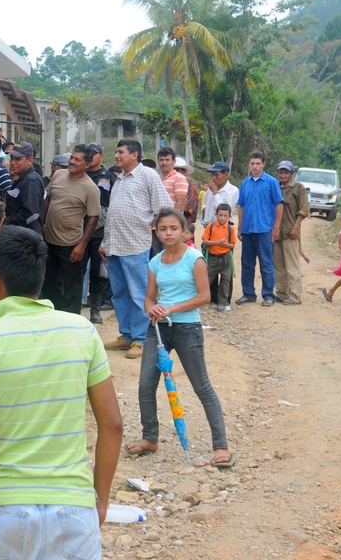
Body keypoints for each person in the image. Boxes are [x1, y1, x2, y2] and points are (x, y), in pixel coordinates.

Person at [0, 226, 123, 558]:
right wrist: (100, 500)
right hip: (74, 504)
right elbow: (113, 425)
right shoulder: (82, 331)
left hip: (6, 508)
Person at [126, 208, 234, 468]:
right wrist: (151, 308)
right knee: (145, 385)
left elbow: (204, 297)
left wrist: (171, 308)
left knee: (202, 387)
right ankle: (150, 438)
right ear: (156, 231)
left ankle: (221, 447)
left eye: (173, 228)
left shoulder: (194, 259)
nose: (168, 233)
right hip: (158, 329)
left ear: (183, 230)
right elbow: (149, 297)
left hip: (187, 328)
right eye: (163, 229)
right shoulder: (155, 261)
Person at [99, 139, 172, 360]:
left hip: (135, 244)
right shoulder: (119, 179)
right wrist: (105, 242)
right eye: (117, 152)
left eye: (121, 152)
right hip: (114, 246)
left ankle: (141, 340)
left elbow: (164, 207)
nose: (116, 156)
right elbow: (114, 213)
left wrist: (154, 228)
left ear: (135, 155)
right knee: (120, 293)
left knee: (138, 292)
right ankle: (127, 335)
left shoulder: (148, 175)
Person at [41, 145, 101, 314]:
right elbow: (47, 200)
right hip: (49, 241)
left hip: (71, 245)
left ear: (87, 164)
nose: (72, 162)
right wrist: (42, 226)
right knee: (49, 283)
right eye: (71, 158)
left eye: (77, 159)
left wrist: (81, 245)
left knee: (72, 289)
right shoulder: (59, 175)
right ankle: (53, 317)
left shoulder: (91, 188)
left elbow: (93, 218)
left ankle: (72, 322)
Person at [235, 152, 284, 307]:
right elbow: (241, 206)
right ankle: (248, 294)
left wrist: (276, 227)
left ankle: (269, 295)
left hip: (264, 229)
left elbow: (279, 204)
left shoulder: (271, 182)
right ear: (249, 165)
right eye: (252, 163)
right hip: (248, 229)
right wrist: (240, 226)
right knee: (247, 263)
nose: (255, 166)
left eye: (258, 163)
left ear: (263, 164)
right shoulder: (245, 184)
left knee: (266, 263)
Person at [84, 143, 115, 324]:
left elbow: (113, 203)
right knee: (76, 271)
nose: (91, 156)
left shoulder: (109, 177)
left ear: (101, 156)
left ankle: (95, 308)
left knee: (98, 273)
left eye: (94, 154)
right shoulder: (80, 174)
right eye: (88, 153)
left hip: (100, 231)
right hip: (79, 229)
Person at [273, 160, 309, 305]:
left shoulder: (298, 188)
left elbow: (304, 210)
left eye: (286, 172)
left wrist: (296, 227)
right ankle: (281, 293)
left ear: (291, 174)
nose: (283, 175)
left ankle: (295, 295)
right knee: (279, 265)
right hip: (276, 233)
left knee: (292, 265)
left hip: (290, 232)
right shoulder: (275, 187)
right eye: (281, 172)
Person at [201, 203, 237, 311]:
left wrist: (226, 245)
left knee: (225, 280)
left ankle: (222, 302)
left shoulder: (231, 228)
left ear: (229, 216)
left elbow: (233, 244)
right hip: (213, 258)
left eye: (225, 216)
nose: (222, 218)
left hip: (226, 258)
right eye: (220, 215)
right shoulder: (210, 226)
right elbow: (205, 241)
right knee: (207, 279)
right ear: (216, 214)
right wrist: (217, 243)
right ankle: (201, 299)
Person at [5, 140, 44, 234]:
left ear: (30, 160)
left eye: (18, 159)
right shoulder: (22, 179)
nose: (13, 163)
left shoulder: (31, 181)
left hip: (26, 236)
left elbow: (30, 214)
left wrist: (8, 220)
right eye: (12, 158)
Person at [201, 161, 239, 227]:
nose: (213, 178)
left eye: (216, 175)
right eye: (212, 175)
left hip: (222, 228)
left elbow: (224, 210)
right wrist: (204, 209)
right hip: (208, 226)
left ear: (226, 175)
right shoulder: (211, 188)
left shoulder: (232, 190)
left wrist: (215, 193)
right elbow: (206, 201)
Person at [158, 147, 189, 215]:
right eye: (161, 160)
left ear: (174, 161)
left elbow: (180, 203)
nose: (164, 163)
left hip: (171, 219)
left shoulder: (179, 178)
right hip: (158, 219)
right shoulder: (157, 178)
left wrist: (173, 220)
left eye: (167, 160)